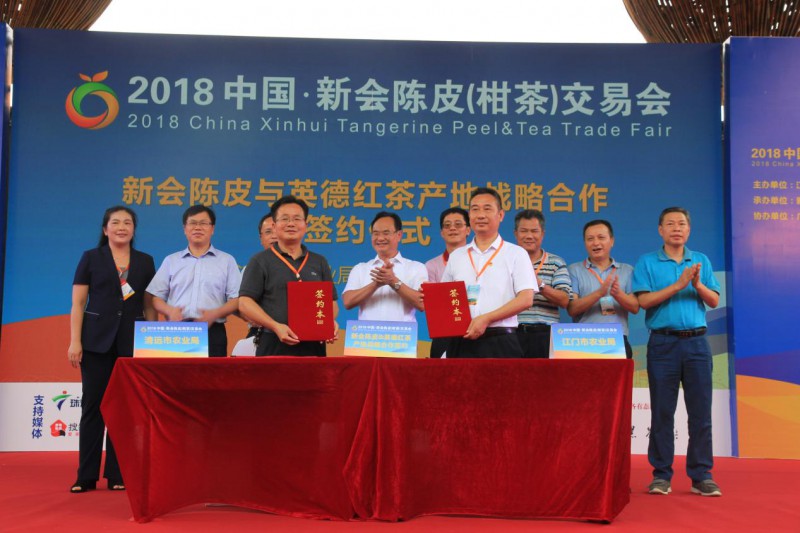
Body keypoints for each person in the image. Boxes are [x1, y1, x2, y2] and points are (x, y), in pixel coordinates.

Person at [633, 207, 722, 497]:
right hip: (663, 344)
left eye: (681, 224)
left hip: (697, 343)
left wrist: (697, 285)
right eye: (670, 224)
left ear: (689, 229)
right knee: (662, 412)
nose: (676, 228)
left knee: (701, 412)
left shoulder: (701, 260)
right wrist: (679, 285)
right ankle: (661, 476)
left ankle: (701, 476)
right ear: (660, 230)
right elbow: (644, 302)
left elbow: (713, 300)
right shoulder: (647, 262)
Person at [67, 206, 156, 493]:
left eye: (127, 222)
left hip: (131, 343)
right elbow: (78, 303)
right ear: (105, 229)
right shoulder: (91, 258)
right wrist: (75, 341)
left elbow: (149, 305)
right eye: (115, 222)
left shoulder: (145, 261)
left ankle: (117, 474)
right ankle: (86, 475)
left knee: (124, 409)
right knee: (93, 407)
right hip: (95, 342)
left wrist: (151, 342)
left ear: (133, 229)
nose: (121, 227)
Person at [437, 187, 536, 358]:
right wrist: (431, 296)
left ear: (501, 215)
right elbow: (446, 298)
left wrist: (487, 318)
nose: (480, 215)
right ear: (469, 215)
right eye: (475, 209)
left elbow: (526, 299)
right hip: (461, 340)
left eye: (487, 209)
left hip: (501, 340)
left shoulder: (516, 253)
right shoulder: (457, 256)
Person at [239, 195, 339, 356]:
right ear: (274, 225)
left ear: (306, 225)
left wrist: (328, 322)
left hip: (313, 345)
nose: (291, 224)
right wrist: (275, 326)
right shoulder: (260, 261)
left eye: (297, 219)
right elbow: (244, 303)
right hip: (273, 343)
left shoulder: (319, 261)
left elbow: (331, 302)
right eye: (285, 219)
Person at [146, 205, 241, 357]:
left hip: (212, 331)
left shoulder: (227, 261)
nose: (198, 227)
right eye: (193, 223)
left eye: (203, 223)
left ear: (212, 229)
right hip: (177, 331)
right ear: (185, 229)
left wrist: (214, 313)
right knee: (175, 372)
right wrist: (169, 311)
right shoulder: (171, 260)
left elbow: (236, 299)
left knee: (212, 373)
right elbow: (156, 297)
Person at [567, 220, 639, 358]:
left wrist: (618, 294)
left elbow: (635, 307)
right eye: (590, 239)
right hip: (582, 341)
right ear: (585, 243)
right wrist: (600, 293)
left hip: (616, 340)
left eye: (601, 237)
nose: (596, 243)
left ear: (612, 241)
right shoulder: (574, 270)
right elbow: (572, 309)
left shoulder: (627, 270)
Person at [342, 211, 427, 322]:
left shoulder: (416, 267)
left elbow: (422, 304)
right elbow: (347, 302)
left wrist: (393, 281)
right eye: (376, 233)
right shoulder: (360, 268)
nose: (380, 238)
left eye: (386, 233)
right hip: (366, 333)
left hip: (402, 332)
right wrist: (376, 284)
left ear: (399, 235)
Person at [514, 209, 572, 358]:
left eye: (534, 231)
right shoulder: (506, 262)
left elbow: (565, 300)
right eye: (524, 231)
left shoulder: (556, 262)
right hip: (513, 333)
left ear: (542, 234)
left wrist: (540, 285)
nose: (529, 236)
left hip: (546, 334)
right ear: (516, 234)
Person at [424, 207, 471, 358]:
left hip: (476, 330)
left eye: (458, 224)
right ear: (442, 233)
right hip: (444, 332)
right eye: (447, 225)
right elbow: (432, 304)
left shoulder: (479, 261)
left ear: (468, 230)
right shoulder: (431, 265)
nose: (452, 228)